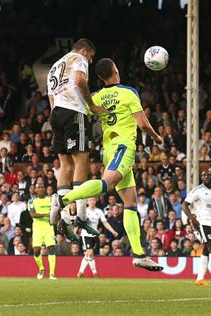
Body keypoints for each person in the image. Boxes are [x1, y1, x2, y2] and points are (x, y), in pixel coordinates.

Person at [51, 58, 163, 272]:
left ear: (101, 78)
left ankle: (139, 255)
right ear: (116, 70)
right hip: (124, 147)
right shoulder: (129, 92)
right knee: (106, 185)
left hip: (109, 149)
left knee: (131, 203)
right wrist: (157, 138)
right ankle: (63, 199)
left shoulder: (97, 96)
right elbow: (141, 123)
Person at [47, 38, 104, 237]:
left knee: (65, 166)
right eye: (90, 56)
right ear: (83, 50)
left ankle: (63, 218)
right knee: (81, 162)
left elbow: (51, 97)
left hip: (56, 114)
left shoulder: (55, 66)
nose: (89, 61)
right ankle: (81, 215)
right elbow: (80, 81)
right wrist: (91, 105)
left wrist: (57, 116)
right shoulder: (77, 58)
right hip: (74, 112)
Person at [77, 198, 119, 278]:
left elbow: (105, 222)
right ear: (87, 202)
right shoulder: (84, 211)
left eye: (93, 200)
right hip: (85, 235)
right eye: (90, 200)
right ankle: (95, 273)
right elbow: (78, 221)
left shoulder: (99, 211)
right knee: (89, 253)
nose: (92, 201)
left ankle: (80, 272)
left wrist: (113, 231)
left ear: (95, 201)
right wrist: (75, 229)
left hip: (95, 235)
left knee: (88, 255)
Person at [28, 181, 57, 280]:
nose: (40, 189)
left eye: (42, 187)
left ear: (45, 189)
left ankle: (52, 274)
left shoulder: (50, 200)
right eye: (38, 188)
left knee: (51, 248)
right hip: (37, 229)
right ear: (35, 190)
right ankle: (41, 269)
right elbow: (32, 215)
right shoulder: (31, 201)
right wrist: (46, 214)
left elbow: (56, 211)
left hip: (49, 228)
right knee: (36, 251)